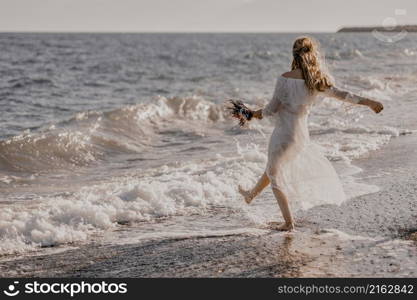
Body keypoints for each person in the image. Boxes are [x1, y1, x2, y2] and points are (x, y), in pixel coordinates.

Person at [238, 36, 384, 231]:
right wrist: (370, 102)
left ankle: (288, 223)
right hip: (300, 138)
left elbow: (271, 109)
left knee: (275, 176)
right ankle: (251, 195)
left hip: (283, 135)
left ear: (293, 54)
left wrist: (253, 114)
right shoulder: (317, 81)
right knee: (274, 168)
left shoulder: (285, 78)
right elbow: (344, 95)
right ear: (313, 54)